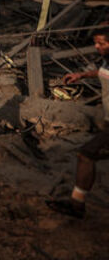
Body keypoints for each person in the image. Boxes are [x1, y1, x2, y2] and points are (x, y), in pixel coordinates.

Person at [48, 28, 109, 218]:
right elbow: (102, 72)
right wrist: (81, 76)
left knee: (86, 154)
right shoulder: (107, 59)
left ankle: (77, 204)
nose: (97, 46)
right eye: (96, 43)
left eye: (102, 43)